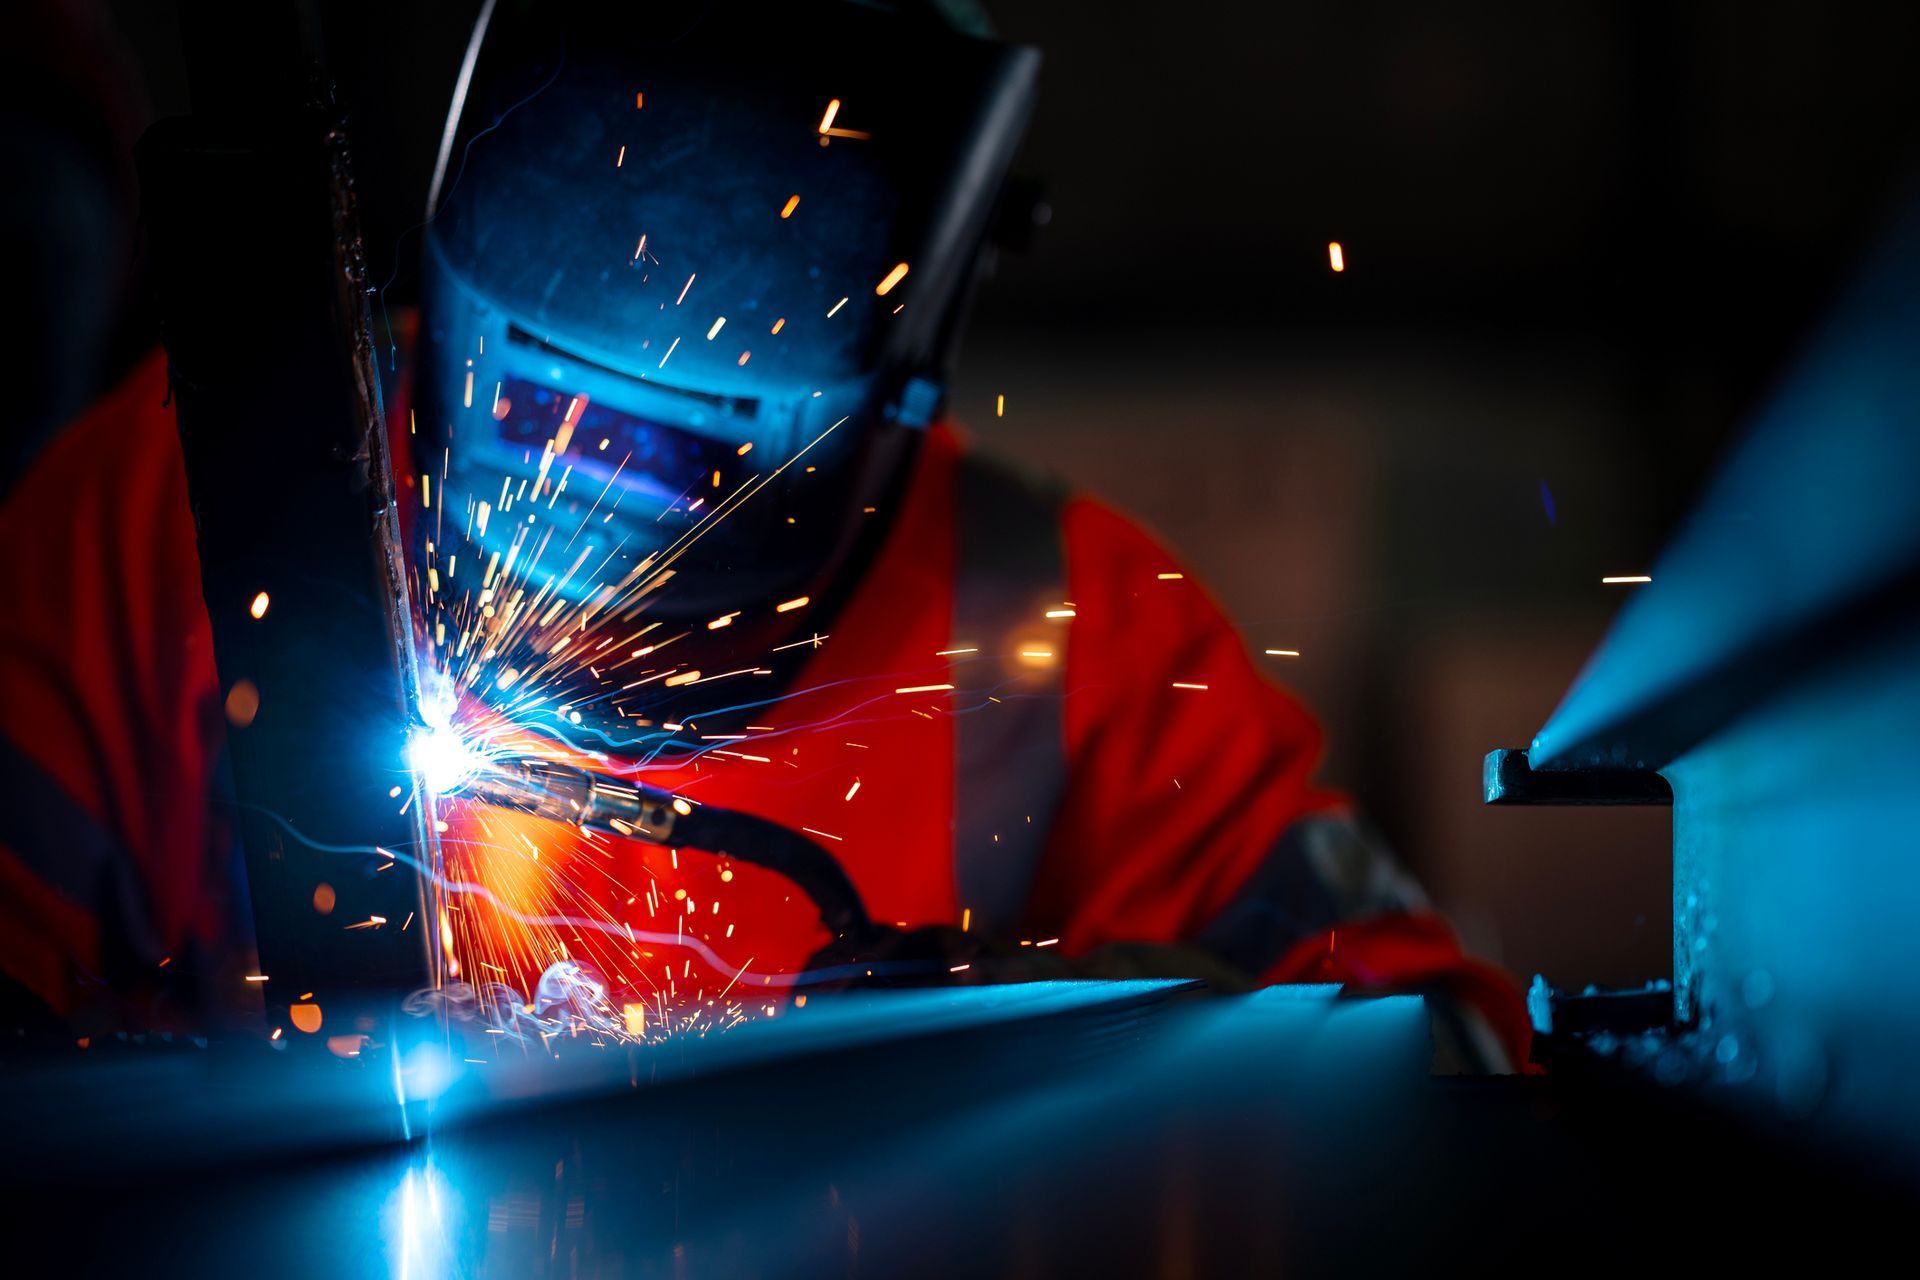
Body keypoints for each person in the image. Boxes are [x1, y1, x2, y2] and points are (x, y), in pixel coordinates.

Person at [0, 0, 1527, 1067]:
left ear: (893, 386)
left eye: (677, 458)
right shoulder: (182, 491)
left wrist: (1083, 1055)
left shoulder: (1069, 634)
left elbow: (1448, 1059)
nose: (585, 503)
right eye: (538, 423)